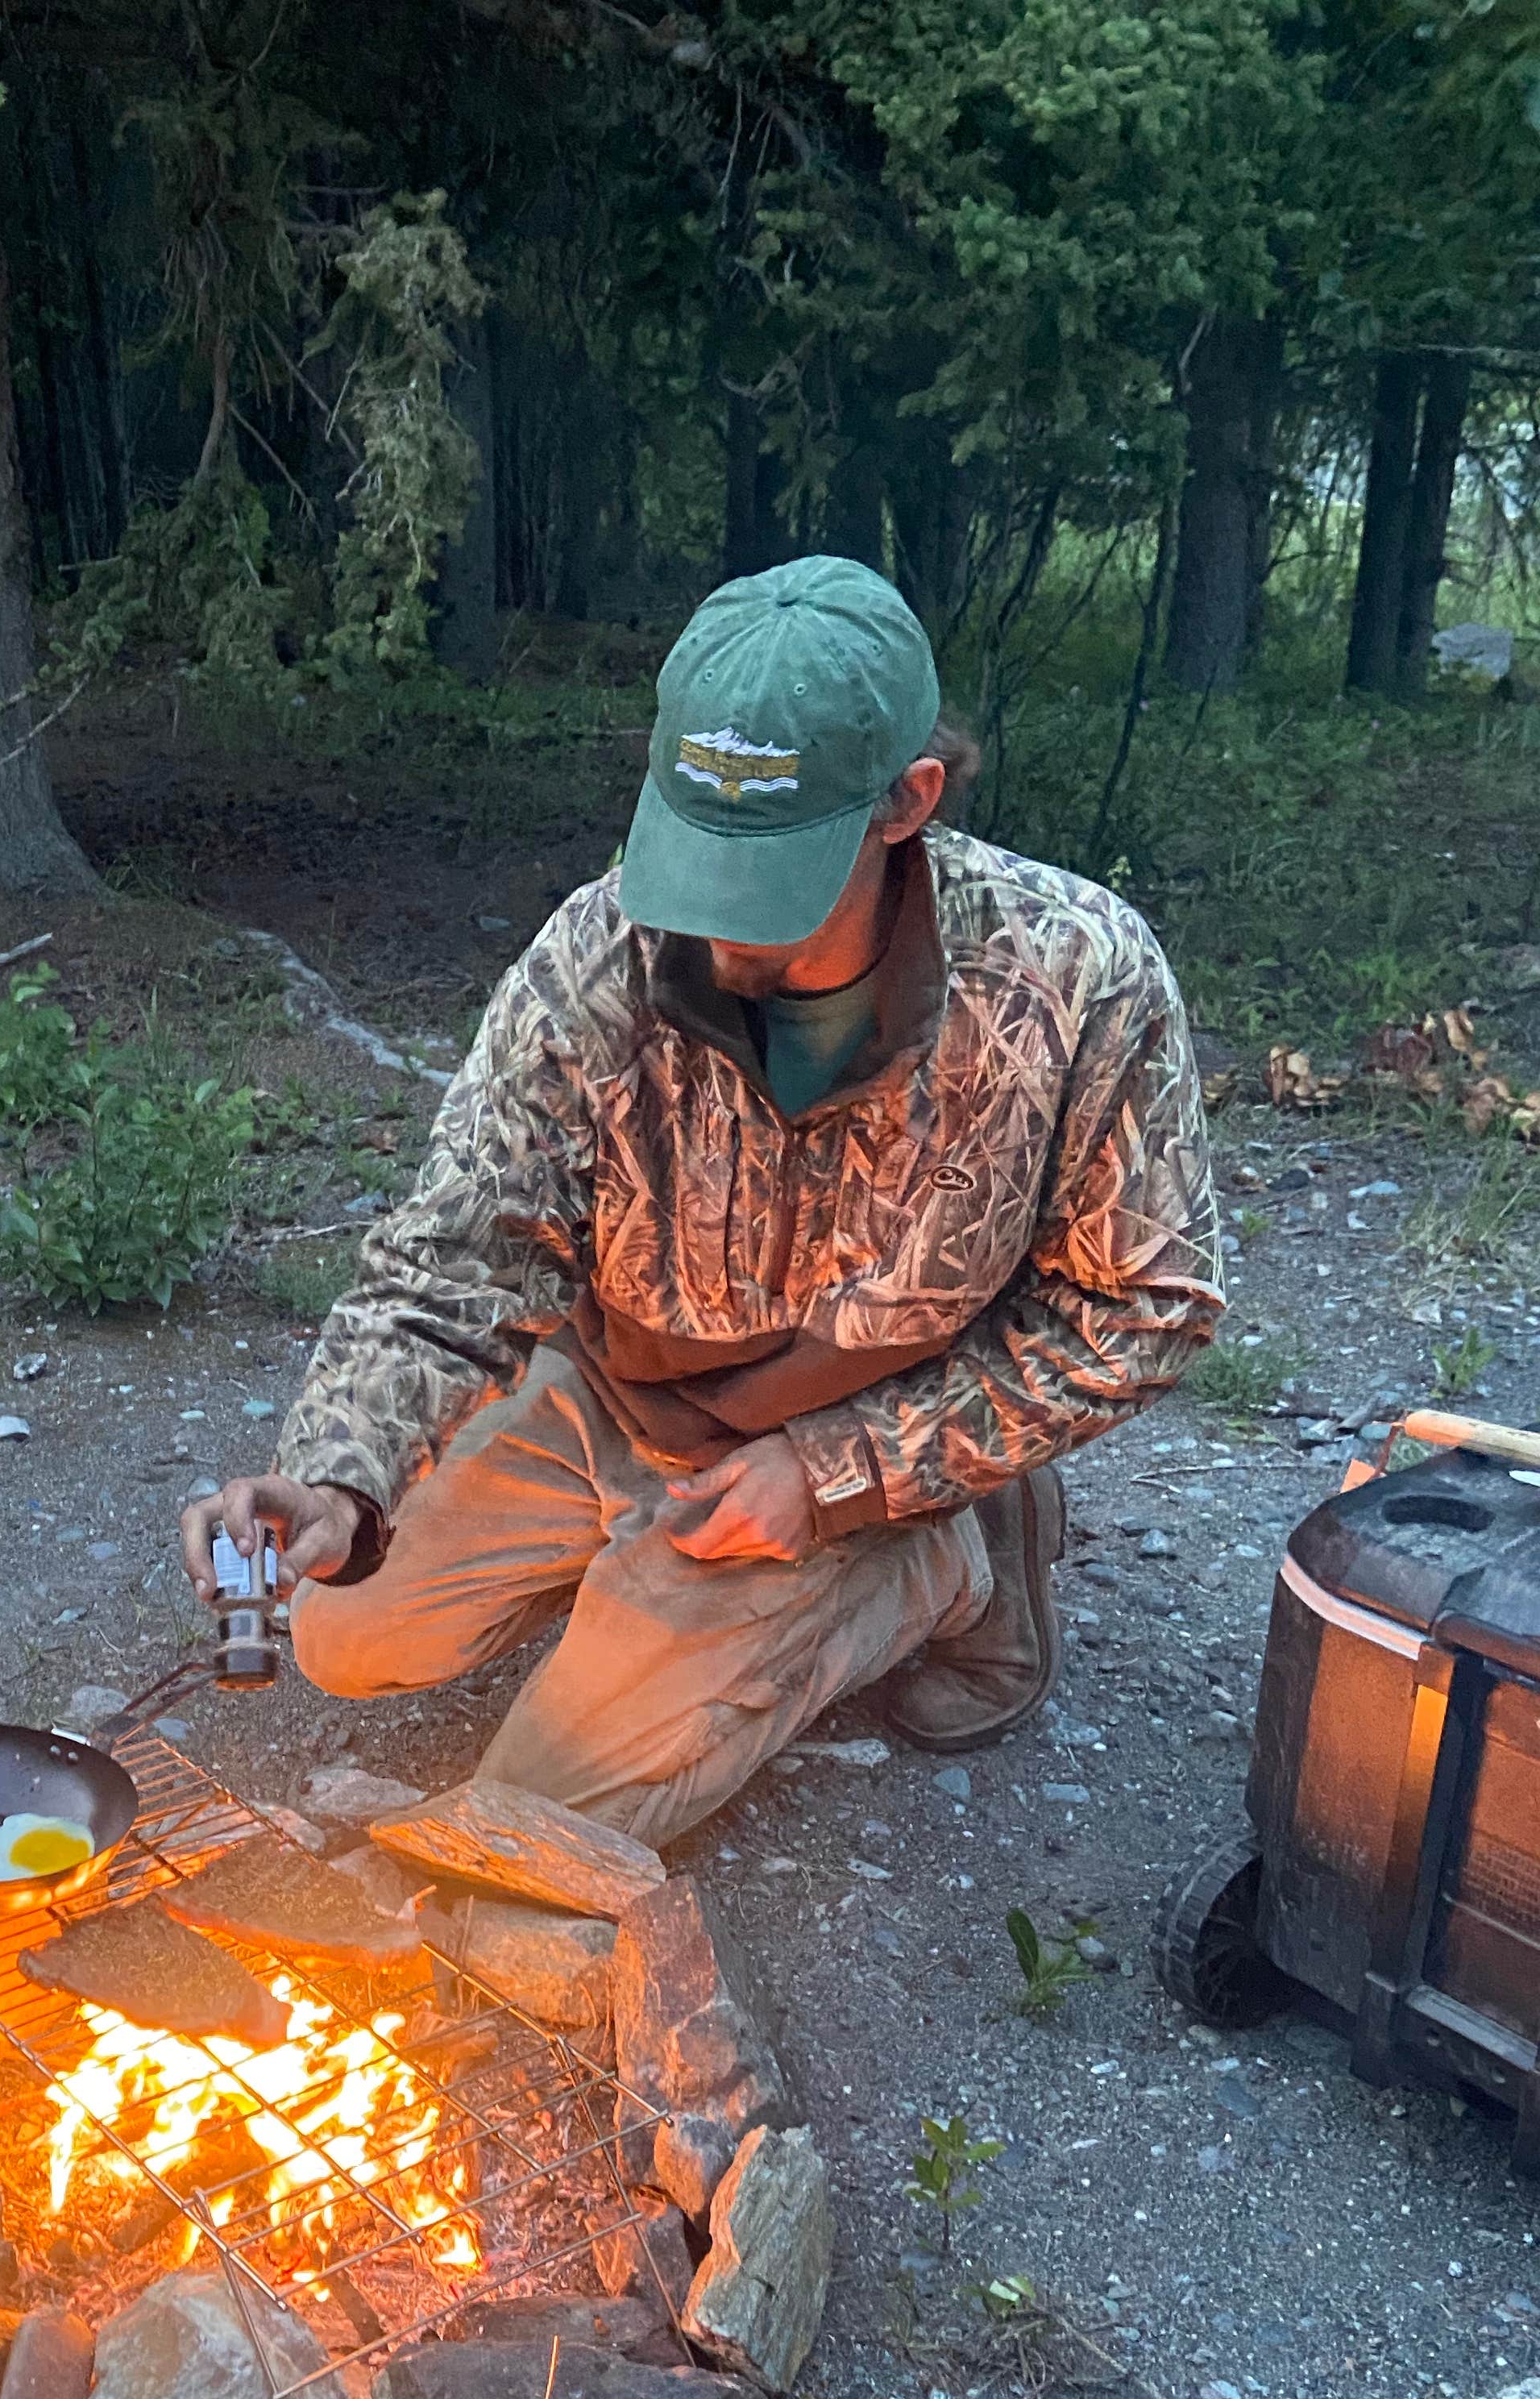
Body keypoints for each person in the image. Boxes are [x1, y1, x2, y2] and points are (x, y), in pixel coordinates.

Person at [181, 556, 1222, 1847]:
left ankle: (957, 1553)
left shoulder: (1074, 978)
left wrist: (840, 1473)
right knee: (341, 1630)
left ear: (906, 803)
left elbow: (1146, 1309)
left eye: (767, 869)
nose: (716, 916)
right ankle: (643, 1571)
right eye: (699, 850)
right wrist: (338, 1478)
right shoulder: (601, 953)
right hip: (619, 1389)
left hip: (851, 1426)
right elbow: (453, 1256)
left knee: (533, 1821)